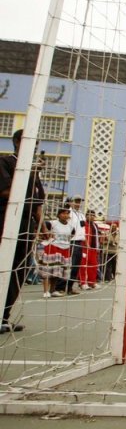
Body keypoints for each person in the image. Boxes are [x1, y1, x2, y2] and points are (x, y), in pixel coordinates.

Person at [0, 130, 46, 333]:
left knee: (20, 270)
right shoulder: (6, 162)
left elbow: (38, 204)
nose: (34, 146)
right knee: (4, 267)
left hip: (27, 225)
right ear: (17, 141)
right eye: (30, 142)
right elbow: (5, 191)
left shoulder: (33, 171)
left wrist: (42, 227)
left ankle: (4, 316)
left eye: (36, 143)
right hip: (7, 220)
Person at [39, 206, 73, 298]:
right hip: (53, 248)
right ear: (58, 215)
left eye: (67, 213)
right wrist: (46, 234)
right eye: (63, 213)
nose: (65, 215)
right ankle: (46, 291)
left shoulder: (71, 226)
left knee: (57, 271)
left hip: (65, 249)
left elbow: (72, 236)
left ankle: (52, 290)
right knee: (48, 270)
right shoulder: (52, 223)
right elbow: (41, 229)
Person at [80, 209, 101, 289]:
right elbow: (82, 234)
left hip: (94, 248)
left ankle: (92, 282)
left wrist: (98, 247)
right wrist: (86, 243)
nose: (91, 217)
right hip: (85, 247)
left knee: (93, 266)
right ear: (86, 216)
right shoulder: (83, 224)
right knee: (83, 266)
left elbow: (97, 237)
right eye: (89, 215)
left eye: (93, 215)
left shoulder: (95, 225)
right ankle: (83, 283)